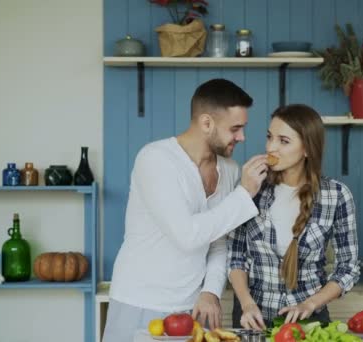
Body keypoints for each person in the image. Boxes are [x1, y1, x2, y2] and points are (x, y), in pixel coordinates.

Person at [103, 79, 269, 342]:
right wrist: (245, 193)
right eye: (235, 129)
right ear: (206, 123)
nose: (242, 137)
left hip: (193, 307)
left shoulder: (229, 169)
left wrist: (211, 292)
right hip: (141, 299)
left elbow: (218, 242)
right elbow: (187, 235)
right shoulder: (156, 159)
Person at [227, 104, 360, 330]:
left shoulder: (336, 195)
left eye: (283, 141)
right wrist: (247, 303)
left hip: (309, 322)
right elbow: (236, 257)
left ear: (307, 148)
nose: (271, 147)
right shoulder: (252, 187)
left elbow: (348, 268)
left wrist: (310, 304)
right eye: (270, 137)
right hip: (252, 319)